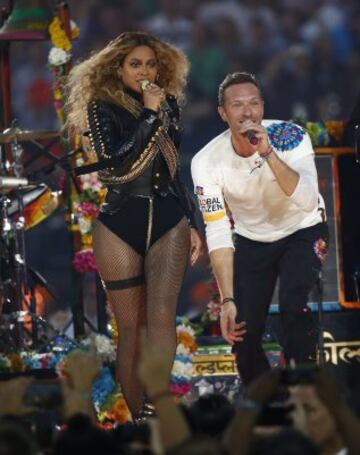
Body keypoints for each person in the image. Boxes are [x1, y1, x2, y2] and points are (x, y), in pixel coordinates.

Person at [66, 31, 202, 418]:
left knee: (162, 319)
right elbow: (115, 165)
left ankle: (161, 412)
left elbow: (174, 170)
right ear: (117, 68)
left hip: (168, 217)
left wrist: (191, 222)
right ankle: (137, 417)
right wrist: (147, 112)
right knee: (132, 328)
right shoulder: (101, 107)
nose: (146, 71)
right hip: (120, 219)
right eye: (136, 64)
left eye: (152, 64)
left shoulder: (168, 105)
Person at [191, 71, 329, 387]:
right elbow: (217, 230)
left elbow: (308, 201)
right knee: (242, 328)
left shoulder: (289, 136)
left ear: (263, 107)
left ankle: (304, 395)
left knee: (296, 308)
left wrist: (268, 153)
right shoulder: (207, 161)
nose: (247, 112)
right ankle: (265, 402)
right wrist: (227, 299)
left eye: (253, 103)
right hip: (253, 238)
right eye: (237, 105)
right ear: (223, 114)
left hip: (303, 228)